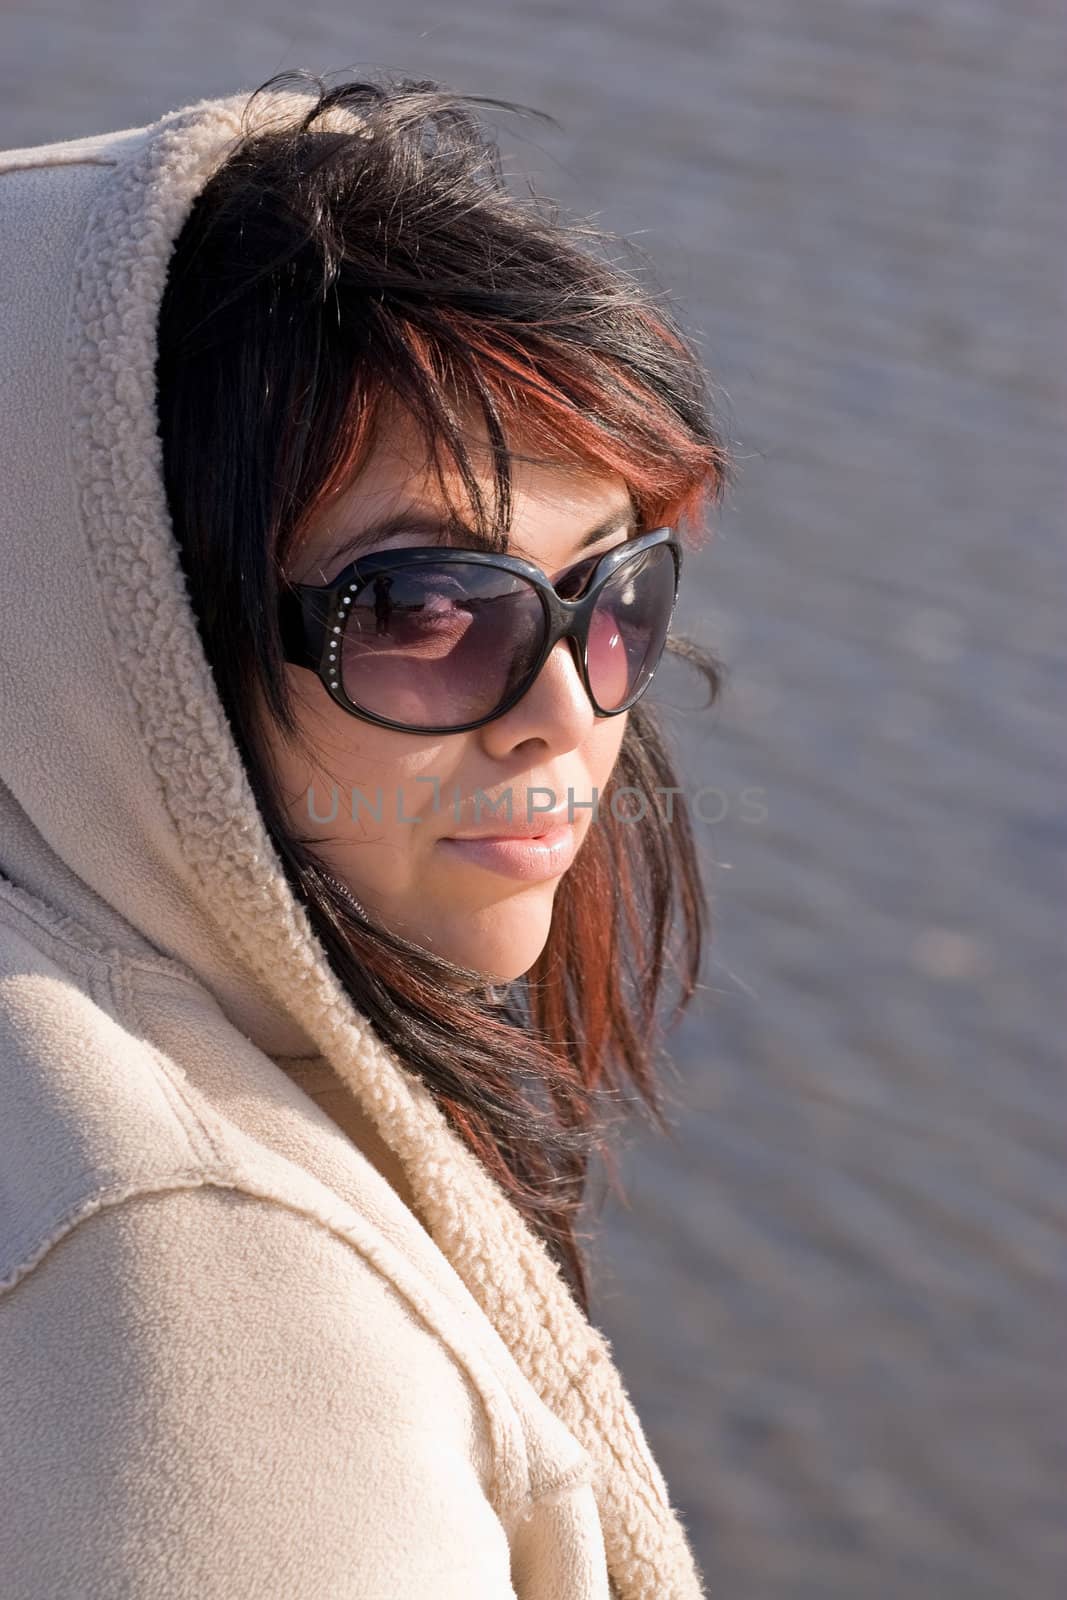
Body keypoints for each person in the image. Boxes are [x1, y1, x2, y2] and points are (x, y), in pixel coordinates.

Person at [0, 68, 730, 1599]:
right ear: (121, 633)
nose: (564, 715)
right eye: (421, 609)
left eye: (614, 592)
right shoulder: (214, 1309)